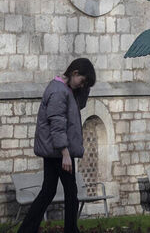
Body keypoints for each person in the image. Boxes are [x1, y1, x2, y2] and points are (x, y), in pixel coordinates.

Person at [17, 58, 96, 233]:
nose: (82, 86)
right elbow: (57, 123)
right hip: (59, 151)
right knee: (70, 194)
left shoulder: (65, 89)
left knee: (49, 191)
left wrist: (86, 85)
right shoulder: (59, 91)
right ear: (74, 73)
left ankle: (26, 230)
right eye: (82, 81)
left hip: (56, 151)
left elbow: (79, 105)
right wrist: (65, 153)